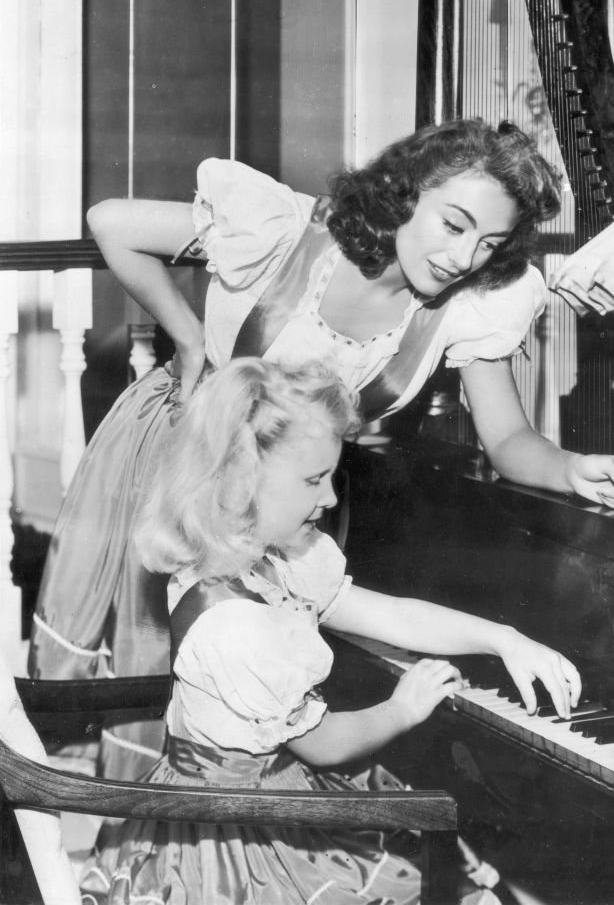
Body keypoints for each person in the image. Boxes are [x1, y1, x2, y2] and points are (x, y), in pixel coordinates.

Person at [29, 118, 614, 780]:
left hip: (291, 496)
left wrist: (573, 469)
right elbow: (111, 221)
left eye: (489, 242)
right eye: (454, 223)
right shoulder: (285, 234)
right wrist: (186, 340)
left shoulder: (467, 305)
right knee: (149, 661)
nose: (464, 257)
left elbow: (507, 440)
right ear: (406, 193)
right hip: (183, 456)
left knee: (251, 693)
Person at [78, 356, 581, 905]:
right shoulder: (235, 625)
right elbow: (321, 745)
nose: (331, 499)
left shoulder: (270, 557)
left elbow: (392, 615)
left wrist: (503, 638)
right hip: (237, 831)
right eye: (314, 480)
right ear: (238, 480)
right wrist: (401, 709)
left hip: (274, 791)